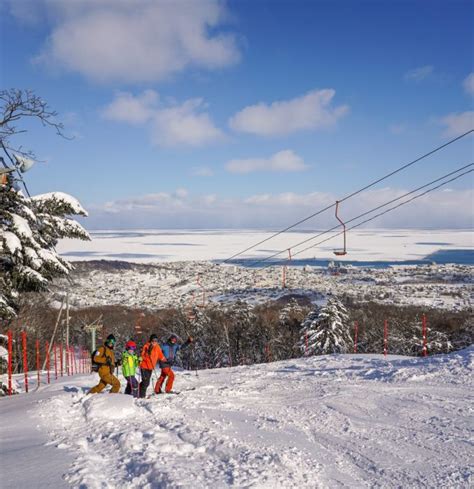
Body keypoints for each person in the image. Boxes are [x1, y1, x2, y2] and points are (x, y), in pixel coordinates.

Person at [139, 334, 166, 398]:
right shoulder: (146, 346)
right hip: (144, 366)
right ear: (150, 340)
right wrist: (147, 352)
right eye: (153, 340)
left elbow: (160, 355)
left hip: (151, 367)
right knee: (146, 382)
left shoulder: (157, 347)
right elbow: (142, 356)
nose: (154, 342)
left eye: (156, 340)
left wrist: (164, 360)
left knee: (146, 382)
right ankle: (142, 396)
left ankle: (138, 389)